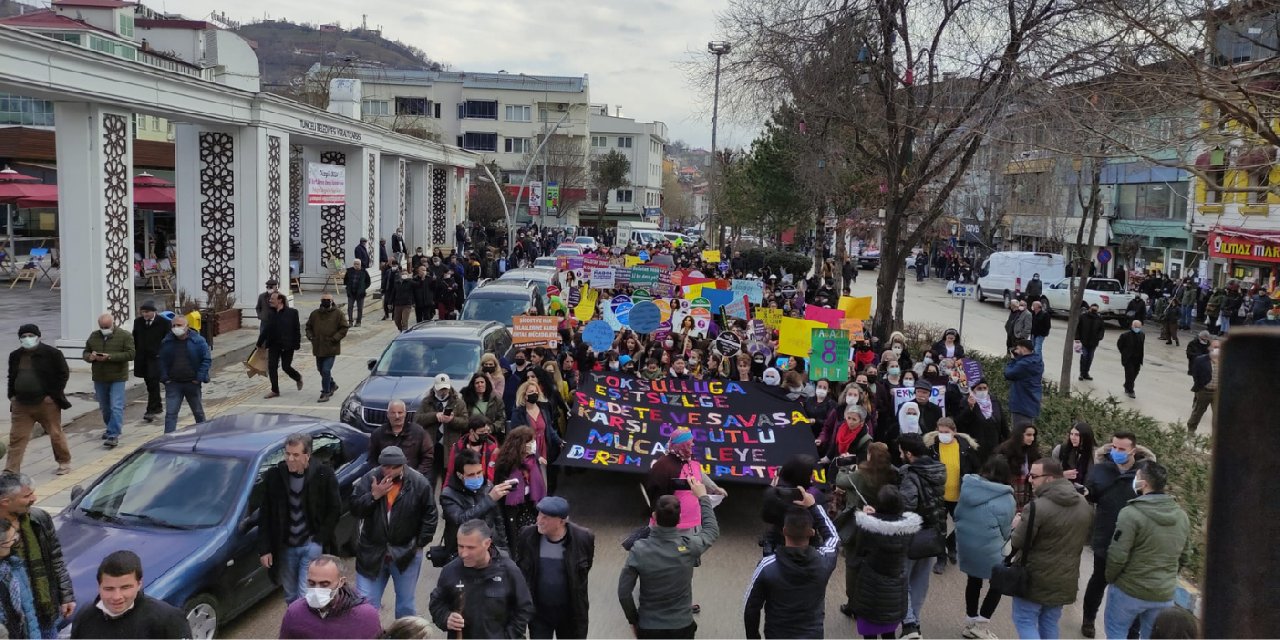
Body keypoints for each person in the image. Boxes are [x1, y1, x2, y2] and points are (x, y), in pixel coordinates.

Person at [618, 474, 720, 639]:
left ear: (654, 517)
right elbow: (711, 531)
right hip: (682, 626)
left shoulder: (639, 550)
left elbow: (624, 593)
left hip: (649, 627)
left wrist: (634, 620)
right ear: (679, 518)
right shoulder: (690, 546)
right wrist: (703, 497)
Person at [1104, 462, 1193, 640]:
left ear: (1143, 483)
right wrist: (1167, 577)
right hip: (1163, 593)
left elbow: (1117, 556)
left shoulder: (1130, 513)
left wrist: (1110, 578)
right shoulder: (1181, 516)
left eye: (1137, 476)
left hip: (1128, 590)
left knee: (1116, 632)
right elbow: (1185, 555)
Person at [1081, 431, 1156, 638]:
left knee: (1131, 590)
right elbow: (1091, 493)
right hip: (1106, 534)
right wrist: (1086, 492)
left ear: (1134, 450)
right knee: (1099, 579)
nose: (1116, 452)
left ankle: (1132, 631)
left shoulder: (1145, 473)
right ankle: (1088, 619)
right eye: (1114, 447)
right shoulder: (1101, 469)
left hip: (1134, 542)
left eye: (1122, 449)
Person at [1008, 459, 1094, 640]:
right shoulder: (1083, 504)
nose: (1029, 479)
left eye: (1034, 476)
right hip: (1065, 578)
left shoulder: (1036, 507)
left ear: (1049, 479)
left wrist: (1016, 525)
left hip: (1035, 578)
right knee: (1049, 622)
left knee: (1025, 620)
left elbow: (1018, 541)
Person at [351, 446, 438, 618]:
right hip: (372, 552)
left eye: (394, 467)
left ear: (403, 465)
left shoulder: (419, 482)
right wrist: (373, 496)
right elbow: (355, 509)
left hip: (406, 552)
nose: (389, 471)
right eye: (385, 466)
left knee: (405, 606)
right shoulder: (370, 478)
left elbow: (430, 515)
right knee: (365, 607)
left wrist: (419, 544)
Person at [258, 433, 342, 604]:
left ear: (307, 455)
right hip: (286, 547)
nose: (290, 459)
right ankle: (296, 627)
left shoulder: (323, 474)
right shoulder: (274, 477)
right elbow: (265, 514)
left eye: (295, 455)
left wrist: (320, 539)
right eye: (287, 454)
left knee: (304, 594)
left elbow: (335, 509)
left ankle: (305, 628)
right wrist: (265, 548)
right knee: (290, 595)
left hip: (310, 544)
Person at [743, 489, 839, 639]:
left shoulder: (767, 566)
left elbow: (751, 607)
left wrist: (753, 637)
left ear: (784, 531)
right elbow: (833, 537)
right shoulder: (824, 561)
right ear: (812, 533)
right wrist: (814, 506)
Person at [429, 519, 534, 638]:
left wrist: (508, 637)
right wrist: (445, 617)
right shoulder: (450, 570)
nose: (464, 553)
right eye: (460, 546)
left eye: (470, 548)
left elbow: (524, 608)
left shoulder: (508, 571)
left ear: (487, 543)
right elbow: (437, 603)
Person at [512, 496, 597, 639]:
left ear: (562, 521)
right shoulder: (527, 535)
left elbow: (584, 570)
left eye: (546, 517)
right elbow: (522, 569)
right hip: (539, 614)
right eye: (539, 514)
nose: (539, 520)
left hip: (570, 614)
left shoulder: (583, 538)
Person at [0, 475, 73, 638]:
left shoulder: (39, 518)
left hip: (45, 613)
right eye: (27, 496)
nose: (34, 498)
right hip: (13, 623)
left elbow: (56, 558)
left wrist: (66, 595)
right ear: (5, 502)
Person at [847, 485, 922, 640]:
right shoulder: (909, 529)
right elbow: (890, 527)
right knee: (889, 633)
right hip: (896, 588)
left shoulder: (869, 527)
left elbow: (859, 550)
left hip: (871, 587)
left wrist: (867, 518)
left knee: (870, 634)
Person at [953, 456, 1015, 640]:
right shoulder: (1006, 498)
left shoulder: (968, 487)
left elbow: (957, 515)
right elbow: (1006, 529)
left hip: (966, 543)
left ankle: (970, 622)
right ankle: (981, 625)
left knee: (973, 581)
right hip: (990, 548)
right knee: (997, 584)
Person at [69, 550, 189, 638]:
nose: (117, 597)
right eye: (109, 589)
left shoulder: (167, 619)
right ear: (99, 586)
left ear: (139, 584)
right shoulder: (85, 616)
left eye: (125, 587)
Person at [896, 433, 946, 639]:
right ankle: (915, 621)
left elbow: (907, 506)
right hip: (934, 533)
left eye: (900, 451)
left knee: (902, 580)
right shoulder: (938, 470)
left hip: (913, 535)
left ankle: (909, 626)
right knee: (921, 581)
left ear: (908, 453)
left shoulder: (909, 474)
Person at [6, 324, 71, 475]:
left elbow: (63, 374)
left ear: (38, 336)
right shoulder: (15, 355)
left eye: (30, 335)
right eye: (23, 336)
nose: (27, 339)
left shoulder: (52, 353)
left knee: (55, 434)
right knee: (17, 437)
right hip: (21, 404)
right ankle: (11, 470)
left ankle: (64, 461)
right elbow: (11, 376)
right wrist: (12, 396)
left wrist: (52, 395)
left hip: (46, 403)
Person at [923, 418, 981, 574]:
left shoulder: (966, 447)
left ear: (954, 432)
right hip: (939, 495)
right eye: (940, 432)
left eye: (946, 432)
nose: (943, 435)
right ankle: (941, 558)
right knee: (939, 527)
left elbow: (975, 468)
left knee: (960, 525)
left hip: (959, 495)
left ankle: (952, 545)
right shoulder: (931, 448)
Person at [278, 555, 381, 639]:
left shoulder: (366, 616)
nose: (317, 589)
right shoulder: (295, 613)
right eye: (312, 583)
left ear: (341, 582)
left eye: (324, 584)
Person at [440, 448, 513, 557]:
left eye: (479, 472)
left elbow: (498, 521)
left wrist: (504, 549)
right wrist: (489, 499)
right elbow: (461, 520)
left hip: (491, 549)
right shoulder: (448, 495)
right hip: (464, 552)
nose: (476, 477)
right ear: (460, 475)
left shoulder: (488, 486)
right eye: (471, 475)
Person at [83, 312, 134, 449]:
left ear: (113, 323)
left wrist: (110, 357)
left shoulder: (125, 336)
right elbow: (86, 352)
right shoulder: (94, 336)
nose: (104, 328)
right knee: (105, 407)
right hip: (100, 376)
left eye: (106, 326)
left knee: (116, 405)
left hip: (118, 376)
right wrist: (90, 357)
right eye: (102, 326)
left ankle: (113, 434)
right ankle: (110, 427)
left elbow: (131, 354)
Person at [156, 315, 211, 434]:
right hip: (173, 383)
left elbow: (206, 360)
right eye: (174, 325)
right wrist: (165, 378)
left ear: (187, 327)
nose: (176, 328)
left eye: (179, 325)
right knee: (171, 414)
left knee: (198, 412)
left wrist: (199, 378)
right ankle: (168, 439)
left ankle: (203, 435)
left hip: (192, 383)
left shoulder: (198, 341)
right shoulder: (167, 342)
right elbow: (161, 360)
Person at [494, 427, 548, 544]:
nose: (534, 444)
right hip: (513, 511)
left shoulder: (533, 461)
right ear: (520, 444)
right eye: (530, 442)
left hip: (530, 508)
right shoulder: (506, 465)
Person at [416, 374, 468, 478]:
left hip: (450, 448)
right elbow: (417, 419)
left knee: (448, 480)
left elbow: (465, 422)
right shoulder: (426, 402)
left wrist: (452, 420)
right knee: (429, 479)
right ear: (434, 387)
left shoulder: (459, 403)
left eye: (445, 388)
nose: (443, 391)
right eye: (440, 389)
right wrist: (434, 416)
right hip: (431, 447)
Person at [369, 400, 435, 483]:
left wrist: (416, 476)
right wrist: (383, 475)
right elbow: (372, 458)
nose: (397, 416)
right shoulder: (378, 434)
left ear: (405, 413)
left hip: (412, 482)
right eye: (393, 413)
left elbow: (428, 456)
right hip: (386, 481)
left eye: (400, 413)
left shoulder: (418, 432)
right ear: (388, 414)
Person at [0, 517, 44, 638]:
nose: (15, 541)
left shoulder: (15, 566)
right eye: (11, 540)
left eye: (15, 536)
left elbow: (29, 610)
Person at [131, 300, 170, 423]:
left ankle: (151, 410)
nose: (145, 314)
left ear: (154, 311)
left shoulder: (164, 323)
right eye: (143, 312)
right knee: (149, 383)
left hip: (157, 358)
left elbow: (168, 340)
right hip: (143, 358)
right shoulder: (138, 322)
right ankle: (157, 406)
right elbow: (135, 338)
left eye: (147, 312)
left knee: (153, 382)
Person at [305, 293, 348, 403]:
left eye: (328, 300)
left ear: (332, 301)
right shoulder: (315, 314)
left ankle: (325, 392)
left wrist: (335, 338)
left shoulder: (338, 313)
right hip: (318, 346)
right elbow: (308, 327)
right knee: (321, 369)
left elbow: (344, 328)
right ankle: (332, 384)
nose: (325, 301)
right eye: (324, 299)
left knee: (325, 369)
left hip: (331, 347)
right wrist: (310, 337)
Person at [260, 292, 303, 398]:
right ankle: (275, 390)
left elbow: (296, 329)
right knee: (272, 367)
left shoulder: (292, 313)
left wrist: (297, 343)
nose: (270, 301)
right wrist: (259, 343)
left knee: (286, 366)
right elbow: (266, 330)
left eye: (272, 299)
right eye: (270, 299)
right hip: (274, 344)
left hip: (288, 345)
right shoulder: (271, 314)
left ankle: (298, 377)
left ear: (280, 300)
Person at [955, 380, 1008, 466]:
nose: (982, 390)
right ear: (973, 390)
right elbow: (959, 422)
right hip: (976, 448)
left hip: (994, 446)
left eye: (984, 388)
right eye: (979, 388)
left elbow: (1003, 423)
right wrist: (970, 408)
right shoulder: (966, 402)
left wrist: (1007, 442)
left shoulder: (994, 402)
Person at [995, 424, 1042, 509]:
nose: (1032, 438)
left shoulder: (1032, 452)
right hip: (1010, 490)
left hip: (1027, 491)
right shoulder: (1005, 451)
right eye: (1028, 435)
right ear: (1019, 435)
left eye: (1033, 435)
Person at [1003, 339, 1043, 428]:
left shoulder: (1024, 364)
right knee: (1027, 432)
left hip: (1021, 405)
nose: (1016, 351)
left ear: (1024, 349)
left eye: (1017, 348)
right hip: (1032, 403)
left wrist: (1013, 360)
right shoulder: (1038, 360)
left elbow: (1008, 374)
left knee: (1019, 435)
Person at [1186, 338, 1219, 434]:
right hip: (1204, 391)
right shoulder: (1201, 360)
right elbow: (1196, 374)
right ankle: (1191, 431)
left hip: (1217, 392)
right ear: (1210, 348)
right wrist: (1200, 386)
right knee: (1198, 412)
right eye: (1215, 347)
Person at [1052, 421, 1096, 486]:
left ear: (1086, 436)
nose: (1073, 437)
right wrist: (1062, 474)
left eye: (1077, 435)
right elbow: (1051, 475)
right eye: (1071, 434)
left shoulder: (1095, 454)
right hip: (1063, 489)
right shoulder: (1060, 450)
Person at [1076, 303, 1107, 381]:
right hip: (1083, 341)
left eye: (1095, 310)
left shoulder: (1099, 319)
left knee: (1090, 358)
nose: (1094, 311)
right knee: (1084, 357)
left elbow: (1102, 329)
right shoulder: (1083, 317)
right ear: (1089, 309)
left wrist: (1099, 337)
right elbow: (1078, 328)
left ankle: (1086, 373)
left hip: (1093, 342)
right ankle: (1082, 373)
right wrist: (1077, 338)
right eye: (1093, 309)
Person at [1117, 319, 1146, 398]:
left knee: (1135, 373)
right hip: (1128, 358)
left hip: (1138, 359)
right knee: (1130, 374)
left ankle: (1127, 385)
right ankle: (1130, 390)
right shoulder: (1125, 335)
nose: (1137, 328)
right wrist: (1125, 353)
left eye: (1139, 327)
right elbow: (1120, 345)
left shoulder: (1142, 335)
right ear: (1132, 326)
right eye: (1136, 327)